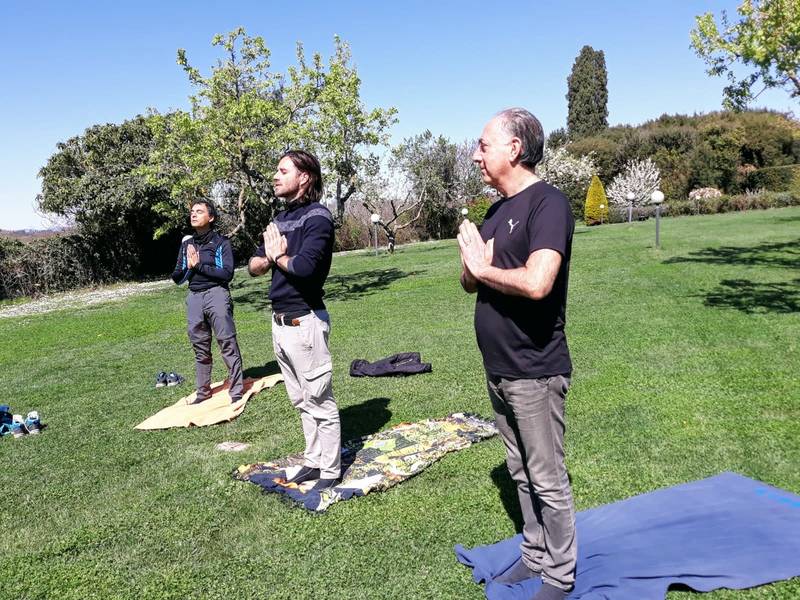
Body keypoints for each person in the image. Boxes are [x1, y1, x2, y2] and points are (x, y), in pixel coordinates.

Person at [457, 108, 577, 600]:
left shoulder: (548, 204)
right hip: (498, 366)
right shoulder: (492, 212)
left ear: (515, 148)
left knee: (546, 477)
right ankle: (533, 555)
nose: (476, 154)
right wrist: (470, 262)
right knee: (518, 470)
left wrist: (484, 271)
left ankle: (560, 575)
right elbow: (470, 282)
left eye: (484, 145)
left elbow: (536, 282)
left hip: (535, 369)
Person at [248, 150, 341, 491]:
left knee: (319, 399)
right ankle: (313, 460)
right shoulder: (280, 218)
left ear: (304, 177)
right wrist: (270, 258)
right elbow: (253, 265)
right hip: (280, 323)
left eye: (283, 170)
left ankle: (330, 470)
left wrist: (278, 257)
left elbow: (305, 268)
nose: (275, 176)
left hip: (306, 322)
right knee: (300, 400)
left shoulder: (318, 218)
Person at [172, 200, 244, 404]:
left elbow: (226, 274)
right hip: (194, 297)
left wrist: (199, 266)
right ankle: (203, 392)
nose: (193, 214)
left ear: (210, 217)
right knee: (200, 347)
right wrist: (190, 266)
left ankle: (236, 389)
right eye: (192, 211)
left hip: (217, 295)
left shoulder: (221, 242)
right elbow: (177, 277)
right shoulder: (187, 244)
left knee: (227, 342)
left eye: (199, 211)